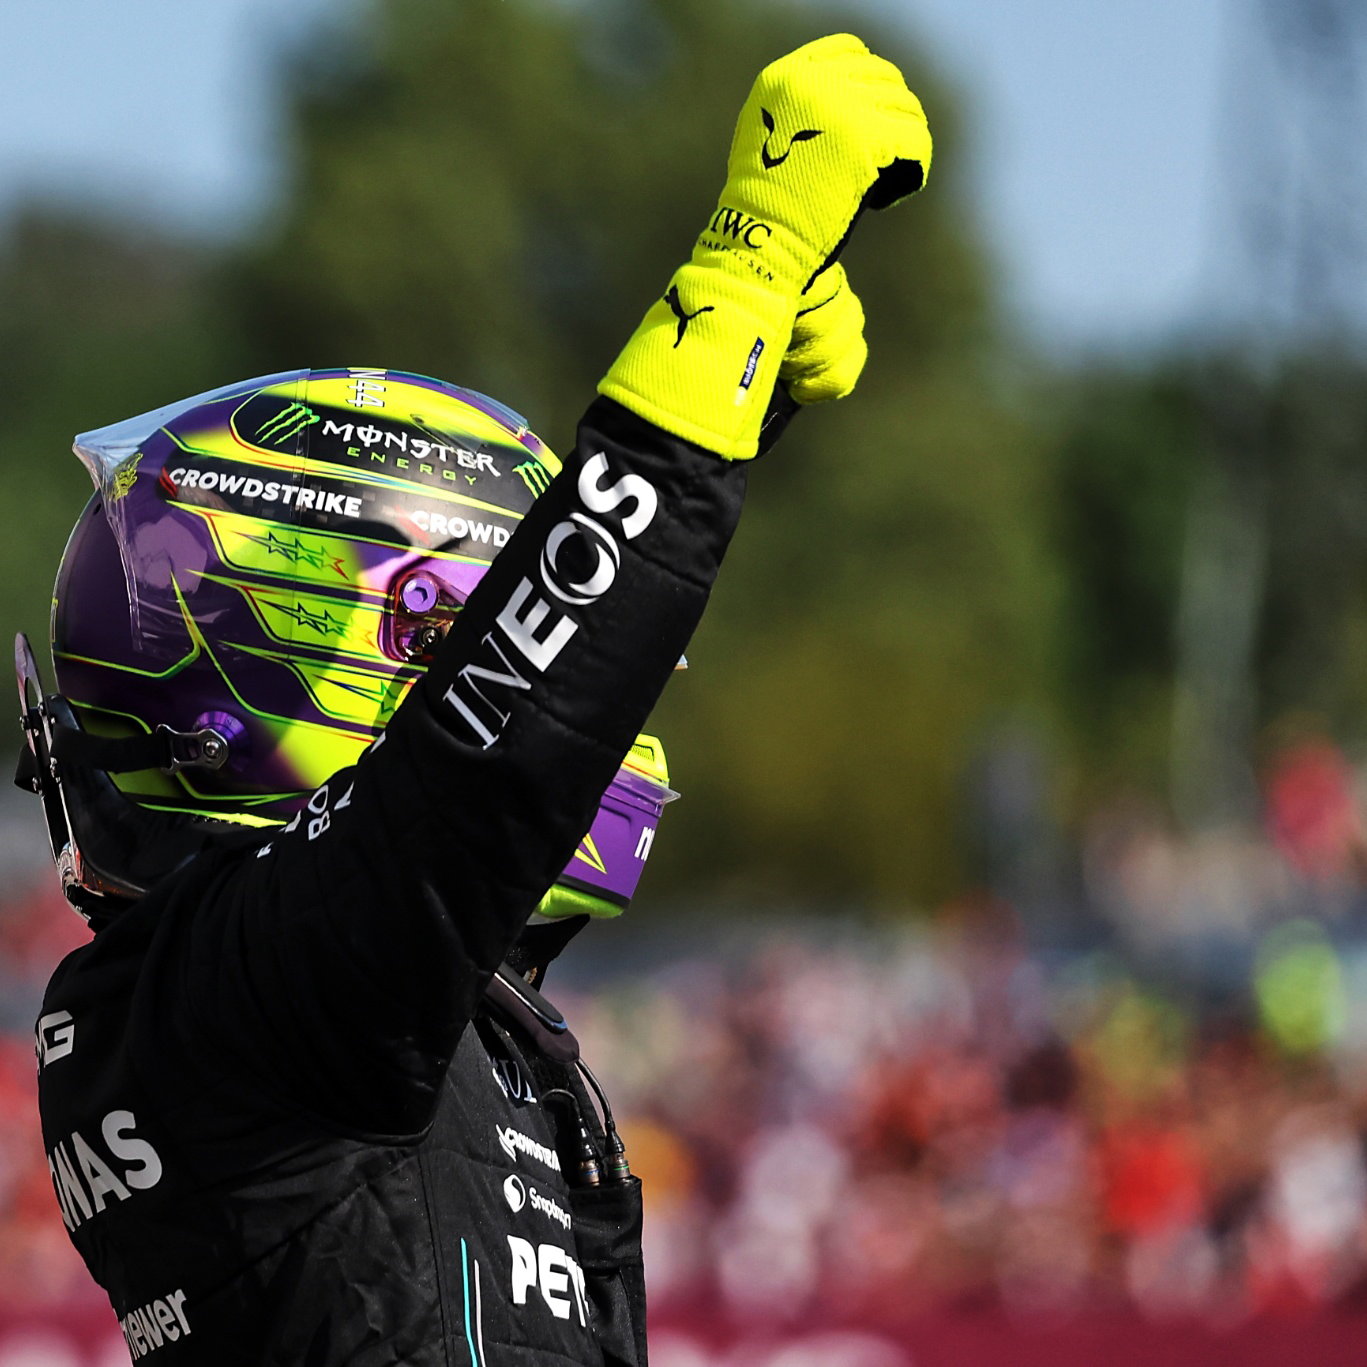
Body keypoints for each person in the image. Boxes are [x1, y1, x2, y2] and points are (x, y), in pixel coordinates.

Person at [19, 35, 931, 1366]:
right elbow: (504, 750)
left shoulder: (288, 985)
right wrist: (739, 270)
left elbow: (542, 707)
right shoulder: (254, 989)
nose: (494, 652)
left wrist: (742, 412)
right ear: (310, 640)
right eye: (450, 624)